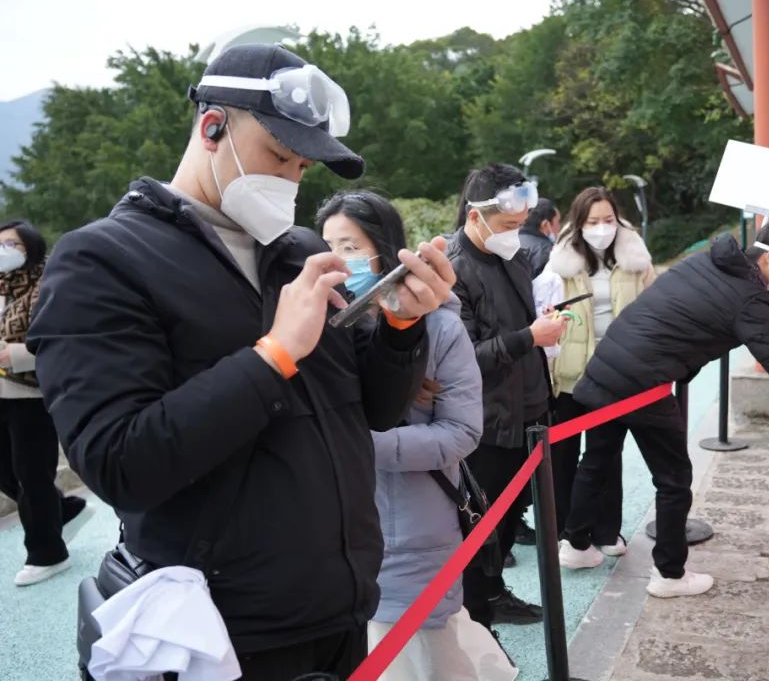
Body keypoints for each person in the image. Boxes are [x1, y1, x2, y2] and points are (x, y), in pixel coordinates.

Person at [26, 44, 455, 679]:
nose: (288, 179)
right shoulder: (100, 263)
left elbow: (376, 409)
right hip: (220, 633)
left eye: (302, 166)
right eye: (277, 155)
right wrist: (273, 355)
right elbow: (119, 463)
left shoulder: (298, 250)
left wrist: (400, 326)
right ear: (212, 127)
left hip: (342, 606)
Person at [566, 221, 769, 598]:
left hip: (607, 364)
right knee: (674, 480)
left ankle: (575, 545)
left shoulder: (704, 261)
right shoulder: (750, 297)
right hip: (644, 383)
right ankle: (669, 575)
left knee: (596, 460)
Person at [316, 191, 516, 681]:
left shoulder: (441, 328)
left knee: (425, 651)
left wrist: (358, 447)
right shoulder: (318, 325)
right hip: (335, 535)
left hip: (414, 531)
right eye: (328, 246)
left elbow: (462, 432)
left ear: (385, 251)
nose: (339, 259)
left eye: (351, 246)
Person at [447, 163, 568, 627]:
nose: (515, 234)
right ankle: (476, 610)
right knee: (482, 524)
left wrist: (541, 325)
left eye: (520, 226)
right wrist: (529, 338)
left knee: (514, 513)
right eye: (507, 226)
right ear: (475, 216)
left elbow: (521, 325)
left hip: (532, 409)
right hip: (487, 421)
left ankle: (493, 592)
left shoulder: (513, 257)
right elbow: (461, 357)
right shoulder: (454, 269)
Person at [543, 187, 654, 560]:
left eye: (608, 220)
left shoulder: (634, 257)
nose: (602, 228)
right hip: (573, 373)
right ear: (579, 224)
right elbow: (546, 311)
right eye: (593, 222)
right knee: (565, 455)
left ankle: (606, 530)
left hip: (617, 370)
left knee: (606, 452)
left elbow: (653, 305)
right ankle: (568, 533)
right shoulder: (560, 259)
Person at [0, 220, 91, 586]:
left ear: (31, 248)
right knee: (8, 473)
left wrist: (15, 355)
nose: (3, 250)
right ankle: (64, 508)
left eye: (10, 243)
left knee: (32, 473)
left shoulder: (49, 284)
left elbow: (63, 339)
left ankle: (47, 553)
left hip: (32, 395)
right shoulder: (2, 288)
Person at [518, 197, 561, 279]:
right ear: (545, 225)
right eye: (558, 222)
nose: (559, 227)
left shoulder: (513, 241)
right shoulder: (545, 251)